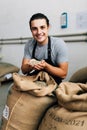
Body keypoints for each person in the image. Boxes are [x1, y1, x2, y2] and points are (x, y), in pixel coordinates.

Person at [21, 13, 68, 85]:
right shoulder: (29, 44)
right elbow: (24, 70)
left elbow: (63, 74)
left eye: (42, 27)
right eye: (34, 29)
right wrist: (31, 66)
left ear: (48, 27)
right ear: (31, 30)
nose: (39, 32)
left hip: (53, 82)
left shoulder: (59, 44)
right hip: (35, 80)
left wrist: (46, 66)